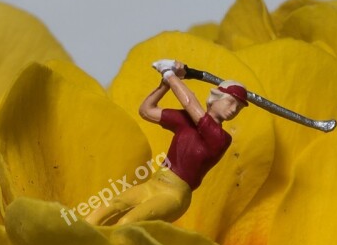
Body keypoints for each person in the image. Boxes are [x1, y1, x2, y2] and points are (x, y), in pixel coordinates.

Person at [85, 59, 248, 226]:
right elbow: (147, 111)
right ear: (216, 98)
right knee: (107, 208)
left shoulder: (220, 138)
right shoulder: (186, 120)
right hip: (154, 183)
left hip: (175, 195)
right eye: (231, 102)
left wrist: (170, 74)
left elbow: (189, 102)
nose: (234, 110)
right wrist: (165, 84)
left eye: (239, 108)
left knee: (127, 222)